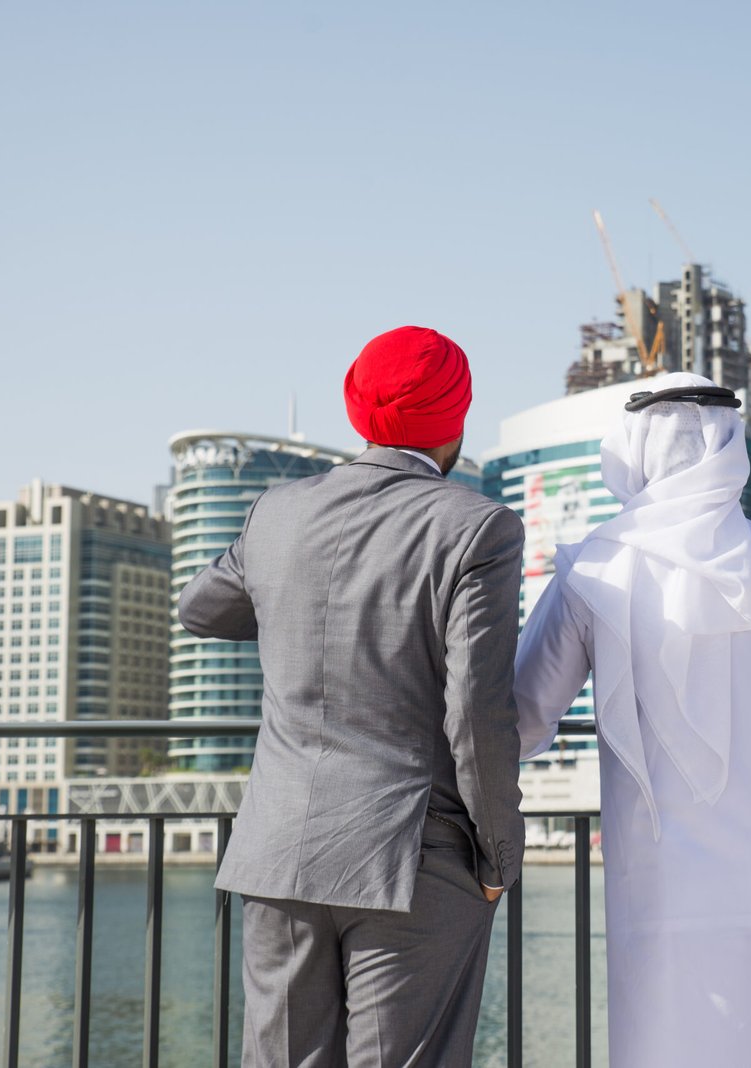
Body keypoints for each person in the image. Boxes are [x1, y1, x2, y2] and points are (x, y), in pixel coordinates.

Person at [513, 372, 751, 1067]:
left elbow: (520, 718)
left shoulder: (591, 572)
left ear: (637, 447)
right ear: (729, 444)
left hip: (661, 894)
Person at [179, 325, 525, 1068]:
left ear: (356, 409)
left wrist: (298, 602)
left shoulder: (276, 512)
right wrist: (499, 856)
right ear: (457, 419)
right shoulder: (478, 528)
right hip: (414, 855)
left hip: (279, 852)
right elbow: (476, 713)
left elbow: (200, 610)